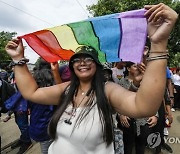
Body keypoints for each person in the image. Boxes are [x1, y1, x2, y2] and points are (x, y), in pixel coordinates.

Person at [5, 3, 178, 154]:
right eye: (77, 60)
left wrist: (158, 43)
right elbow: (30, 92)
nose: (82, 63)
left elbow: (144, 107)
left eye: (88, 59)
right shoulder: (66, 90)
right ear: (72, 66)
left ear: (97, 65)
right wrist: (18, 60)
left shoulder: (107, 90)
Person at [118, 61, 158, 154]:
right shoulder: (121, 83)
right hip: (127, 122)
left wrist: (155, 115)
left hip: (144, 121)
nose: (138, 68)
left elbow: (152, 100)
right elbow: (117, 102)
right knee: (127, 147)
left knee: (141, 147)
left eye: (140, 66)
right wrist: (121, 114)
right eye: (135, 66)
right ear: (128, 68)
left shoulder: (146, 82)